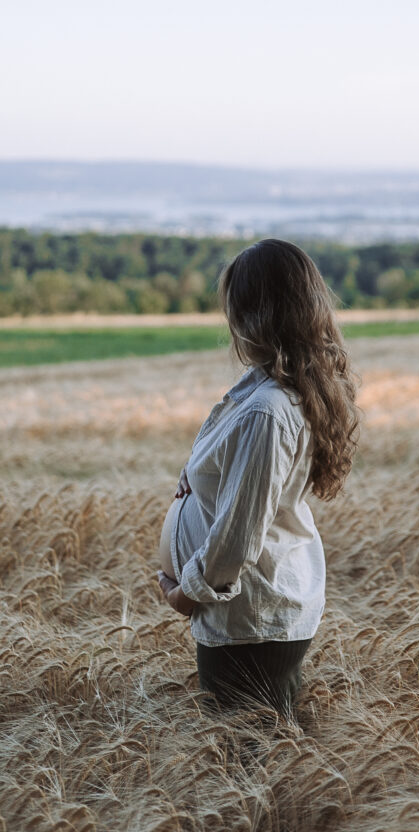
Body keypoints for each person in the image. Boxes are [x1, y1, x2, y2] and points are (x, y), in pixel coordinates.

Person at [157, 238, 359, 718]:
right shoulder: (265, 389)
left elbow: (238, 538)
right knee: (254, 762)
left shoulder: (267, 411)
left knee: (244, 771)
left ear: (253, 316)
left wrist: (185, 595)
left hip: (249, 622)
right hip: (250, 619)